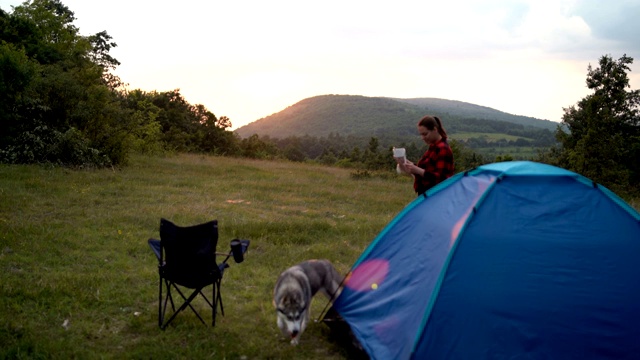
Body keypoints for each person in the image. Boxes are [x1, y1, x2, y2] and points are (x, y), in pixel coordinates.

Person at [396, 115, 454, 195]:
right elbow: (427, 170)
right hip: (427, 195)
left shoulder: (443, 149)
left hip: (435, 196)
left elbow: (442, 179)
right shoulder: (433, 147)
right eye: (421, 134)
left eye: (425, 134)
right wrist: (408, 164)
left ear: (435, 129)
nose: (423, 138)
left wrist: (417, 170)